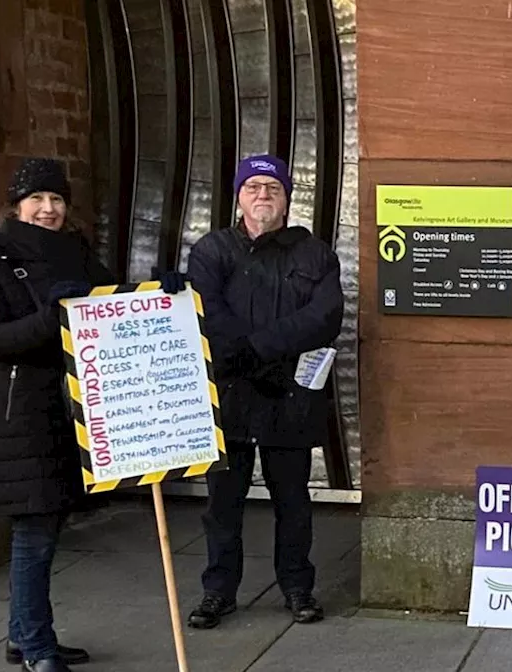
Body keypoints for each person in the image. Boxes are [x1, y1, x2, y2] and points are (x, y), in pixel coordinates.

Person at [0, 158, 185, 671]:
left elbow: (116, 308)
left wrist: (160, 293)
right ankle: (37, 648)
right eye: (38, 198)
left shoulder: (76, 253)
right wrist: (48, 318)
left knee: (48, 526)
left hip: (73, 412)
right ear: (16, 205)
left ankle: (24, 636)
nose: (48, 209)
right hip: (21, 416)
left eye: (57, 199)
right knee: (35, 533)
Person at [185, 154, 344, 629]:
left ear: (287, 199)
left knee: (293, 502)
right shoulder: (212, 251)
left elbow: (323, 318)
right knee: (222, 505)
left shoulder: (315, 254)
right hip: (230, 397)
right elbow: (209, 314)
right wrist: (257, 360)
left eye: (272, 189)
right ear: (238, 197)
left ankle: (297, 587)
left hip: (289, 398)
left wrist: (255, 350)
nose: (263, 197)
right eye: (253, 188)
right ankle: (218, 592)